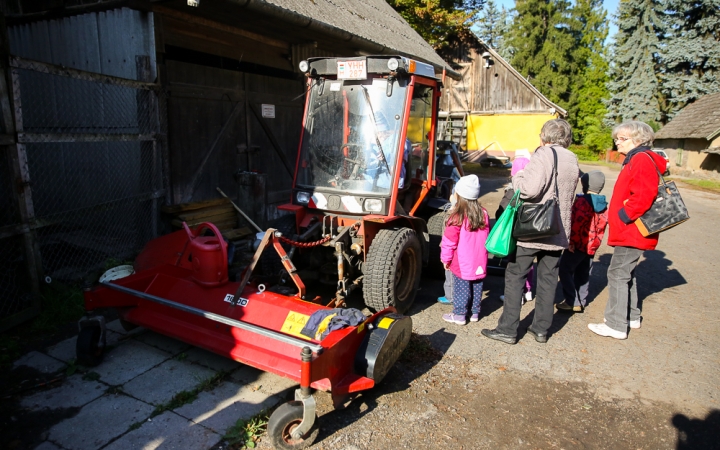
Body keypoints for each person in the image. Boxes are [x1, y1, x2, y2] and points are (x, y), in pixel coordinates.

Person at [482, 119, 580, 344]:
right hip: (558, 229)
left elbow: (528, 190)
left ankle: (507, 329)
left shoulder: (543, 154)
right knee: (547, 279)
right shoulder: (572, 158)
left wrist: (516, 177)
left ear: (545, 135)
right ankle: (541, 329)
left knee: (515, 275)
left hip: (533, 228)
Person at [588, 121, 667, 340]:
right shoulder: (639, 158)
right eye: (617, 138)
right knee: (626, 273)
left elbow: (643, 194)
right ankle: (630, 316)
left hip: (632, 229)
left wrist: (623, 216)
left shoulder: (641, 159)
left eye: (622, 139)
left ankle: (616, 324)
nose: (617, 142)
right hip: (632, 228)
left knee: (617, 273)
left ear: (638, 139)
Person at [440, 175, 490, 325]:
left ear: (459, 195)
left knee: (461, 287)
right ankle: (475, 312)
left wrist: (445, 259)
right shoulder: (484, 213)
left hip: (462, 261)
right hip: (480, 259)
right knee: (477, 285)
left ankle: (460, 314)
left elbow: (449, 242)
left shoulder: (457, 216)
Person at [556, 171, 608, 313]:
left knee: (564, 269)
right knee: (583, 272)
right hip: (592, 244)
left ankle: (571, 300)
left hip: (578, 243)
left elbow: (576, 224)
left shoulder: (582, 202)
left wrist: (571, 242)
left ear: (585, 184)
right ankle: (581, 300)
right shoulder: (603, 203)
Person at [496, 150, 534, 305]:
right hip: (530, 231)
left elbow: (502, 212)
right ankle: (528, 290)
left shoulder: (513, 190)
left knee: (515, 265)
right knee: (529, 264)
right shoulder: (534, 187)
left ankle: (516, 296)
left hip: (515, 233)